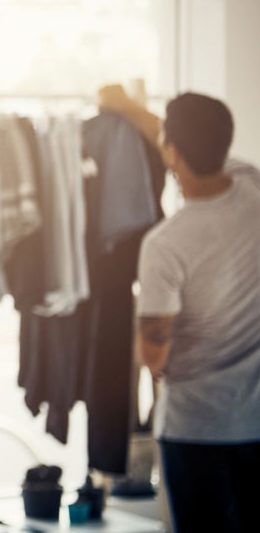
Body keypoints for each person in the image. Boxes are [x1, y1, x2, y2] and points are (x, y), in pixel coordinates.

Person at [136, 92, 260, 532]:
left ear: (171, 151)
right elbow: (202, 137)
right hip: (255, 420)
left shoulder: (165, 245)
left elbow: (154, 356)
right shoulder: (253, 188)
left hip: (196, 430)